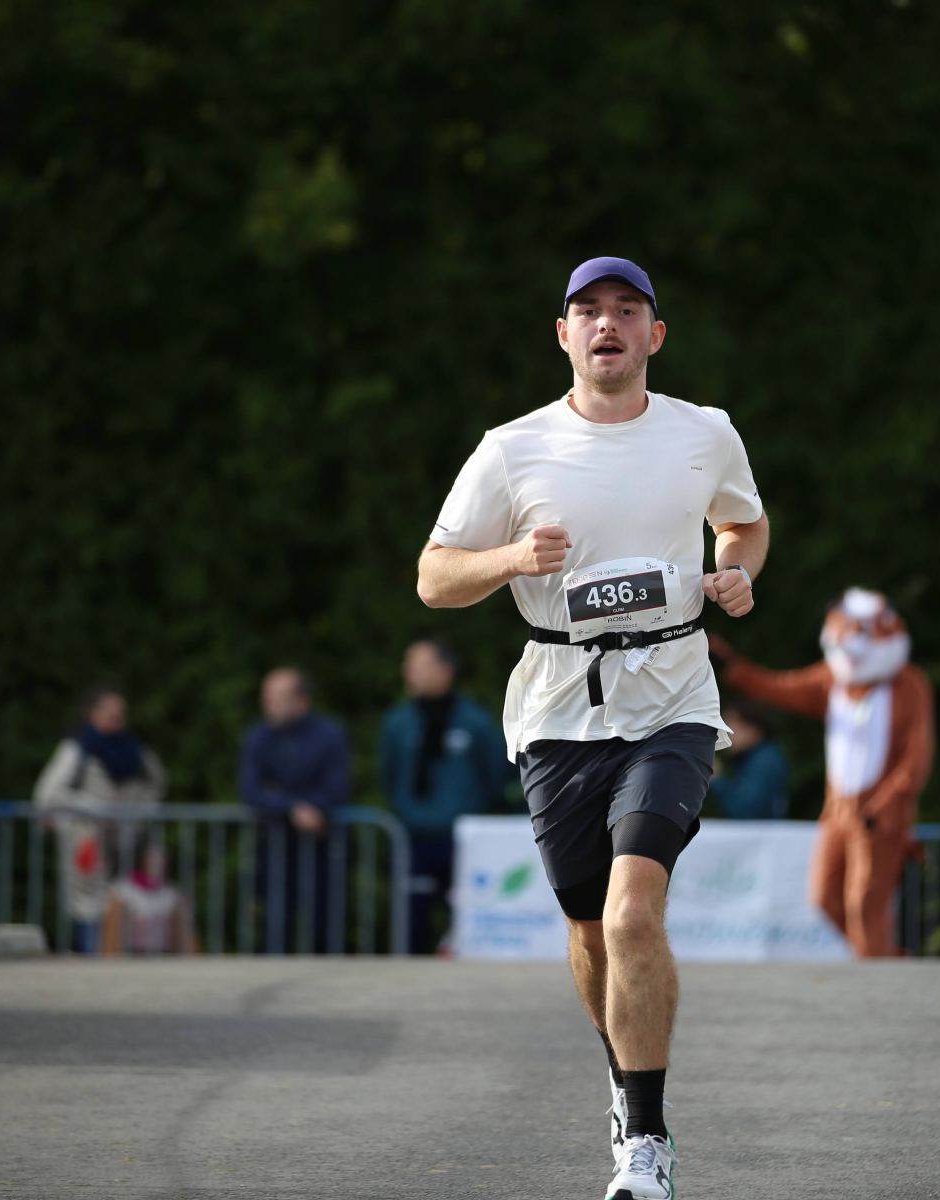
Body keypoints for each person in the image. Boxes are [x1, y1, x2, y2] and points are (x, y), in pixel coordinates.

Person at [416, 256, 767, 1199]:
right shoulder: (510, 449)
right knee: (588, 928)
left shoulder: (705, 431)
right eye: (588, 311)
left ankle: (643, 1142)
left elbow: (744, 524)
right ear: (564, 335)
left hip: (673, 698)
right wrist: (509, 558)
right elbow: (434, 578)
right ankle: (624, 1080)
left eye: (627, 309)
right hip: (558, 707)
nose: (607, 324)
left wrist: (737, 571)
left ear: (655, 335)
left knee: (632, 913)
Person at [712, 588, 935, 955]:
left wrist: (888, 804)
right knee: (823, 897)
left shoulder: (908, 685)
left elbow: (916, 757)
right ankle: (884, 962)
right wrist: (731, 667)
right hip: (837, 812)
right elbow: (779, 688)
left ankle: (878, 975)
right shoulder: (833, 678)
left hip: (878, 815)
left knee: (866, 902)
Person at [379, 637, 510, 954]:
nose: (409, 672)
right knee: (411, 920)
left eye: (419, 665)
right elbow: (389, 777)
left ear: (445, 670)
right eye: (408, 666)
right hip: (413, 836)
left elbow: (494, 775)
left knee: (469, 917)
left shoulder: (475, 721)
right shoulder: (397, 722)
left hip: (464, 838)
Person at [33, 686, 166, 955]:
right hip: (84, 837)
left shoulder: (132, 749)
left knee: (115, 897)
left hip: (119, 838)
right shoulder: (78, 747)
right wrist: (92, 808)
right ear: (92, 713)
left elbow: (157, 782)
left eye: (120, 712)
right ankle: (91, 956)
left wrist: (135, 815)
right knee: (87, 900)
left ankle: (106, 955)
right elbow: (47, 793)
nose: (117, 717)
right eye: (110, 711)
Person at [239, 667, 351, 954]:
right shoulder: (258, 737)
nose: (269, 704)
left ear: (301, 701)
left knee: (323, 924)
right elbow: (252, 792)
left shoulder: (329, 734)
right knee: (275, 925)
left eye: (277, 697)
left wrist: (287, 798)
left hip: (321, 843)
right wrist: (293, 807)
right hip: (276, 844)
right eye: (267, 697)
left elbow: (337, 788)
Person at [101, 834, 198, 956]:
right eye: (152, 857)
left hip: (163, 954)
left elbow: (183, 932)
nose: (158, 862)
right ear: (142, 858)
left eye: (161, 858)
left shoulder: (170, 893)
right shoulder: (123, 890)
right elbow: (112, 930)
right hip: (132, 955)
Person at [707, 700, 790, 820]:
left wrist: (716, 779)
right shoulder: (754, 757)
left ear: (753, 730)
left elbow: (744, 810)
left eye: (732, 724)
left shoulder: (765, 761)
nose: (724, 732)